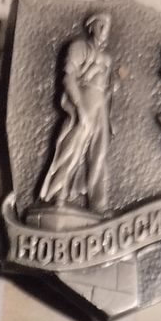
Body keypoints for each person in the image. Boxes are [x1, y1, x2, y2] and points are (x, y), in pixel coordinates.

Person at [37, 12, 114, 213]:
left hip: (101, 105)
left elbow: (105, 86)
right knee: (73, 148)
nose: (104, 30)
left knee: (100, 152)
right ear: (91, 27)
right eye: (100, 25)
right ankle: (57, 195)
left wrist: (111, 91)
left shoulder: (107, 58)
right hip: (84, 99)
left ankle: (98, 206)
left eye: (107, 27)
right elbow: (68, 78)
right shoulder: (79, 47)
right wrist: (79, 107)